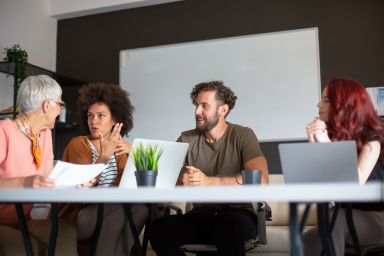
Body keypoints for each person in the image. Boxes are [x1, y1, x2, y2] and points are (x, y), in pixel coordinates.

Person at [149, 80, 269, 256]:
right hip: (201, 215)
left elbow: (261, 180)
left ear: (223, 110)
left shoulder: (243, 135)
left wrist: (209, 181)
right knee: (159, 230)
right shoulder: (186, 138)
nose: (197, 111)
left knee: (227, 227)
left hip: (238, 215)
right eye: (196, 105)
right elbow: (163, 180)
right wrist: (182, 181)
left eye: (204, 106)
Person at [59, 83, 149, 256]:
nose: (94, 121)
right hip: (78, 216)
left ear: (115, 119)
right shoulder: (78, 144)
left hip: (109, 211)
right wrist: (104, 156)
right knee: (116, 206)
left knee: (141, 209)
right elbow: (81, 189)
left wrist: (136, 155)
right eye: (90, 115)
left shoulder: (121, 148)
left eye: (101, 116)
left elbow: (137, 183)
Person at [303, 77, 384, 255]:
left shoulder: (372, 140)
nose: (318, 104)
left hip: (377, 219)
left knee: (337, 221)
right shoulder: (332, 139)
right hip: (340, 216)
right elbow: (318, 191)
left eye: (325, 100)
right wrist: (314, 148)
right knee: (307, 239)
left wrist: (325, 146)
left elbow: (355, 184)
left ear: (343, 105)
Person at [0, 75, 77, 255]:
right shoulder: (4, 132)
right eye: (60, 104)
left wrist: (75, 182)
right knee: (19, 245)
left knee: (66, 231)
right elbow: (31, 182)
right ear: (46, 105)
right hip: (2, 221)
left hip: (24, 219)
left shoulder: (43, 135)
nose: (60, 109)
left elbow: (47, 179)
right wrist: (24, 183)